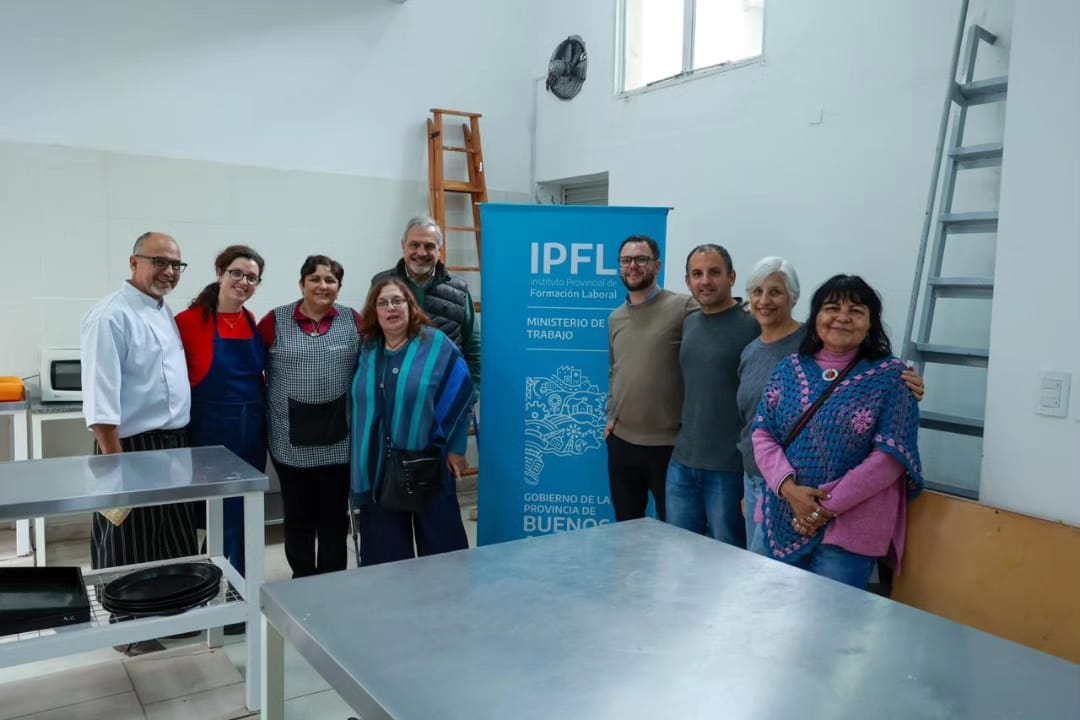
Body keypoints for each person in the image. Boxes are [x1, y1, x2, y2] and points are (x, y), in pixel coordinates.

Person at [737, 258, 925, 553]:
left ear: (871, 323)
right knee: (761, 583)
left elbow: (890, 459)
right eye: (832, 308)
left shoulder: (892, 377)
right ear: (817, 317)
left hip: (851, 526)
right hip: (780, 505)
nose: (842, 317)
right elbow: (762, 433)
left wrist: (819, 507)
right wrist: (790, 490)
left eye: (856, 311)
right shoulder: (790, 367)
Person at [80, 231, 197, 656]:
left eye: (176, 265)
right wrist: (116, 463)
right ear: (134, 263)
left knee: (173, 532)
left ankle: (172, 613)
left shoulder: (164, 311)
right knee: (128, 537)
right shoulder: (110, 315)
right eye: (159, 262)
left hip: (174, 443)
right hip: (129, 445)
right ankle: (128, 628)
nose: (169, 272)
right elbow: (100, 398)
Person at [349, 279, 475, 565]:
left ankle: (443, 595)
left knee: (442, 554)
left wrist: (456, 449)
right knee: (386, 558)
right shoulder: (367, 348)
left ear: (410, 306)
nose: (391, 308)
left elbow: (462, 394)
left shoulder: (435, 344)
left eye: (398, 301)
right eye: (383, 303)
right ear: (374, 311)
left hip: (428, 464)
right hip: (375, 467)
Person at [257, 255, 361, 578]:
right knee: (298, 516)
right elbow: (251, 369)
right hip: (290, 443)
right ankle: (302, 578)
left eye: (330, 280)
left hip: (339, 442)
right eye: (315, 279)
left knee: (334, 517)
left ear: (339, 287)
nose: (322, 285)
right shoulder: (274, 321)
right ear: (301, 284)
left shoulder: (353, 320)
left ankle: (331, 580)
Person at [176, 245, 266, 603]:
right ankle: (204, 586)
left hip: (251, 433)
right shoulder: (188, 322)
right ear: (220, 272)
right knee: (213, 515)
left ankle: (238, 592)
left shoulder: (251, 320)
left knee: (242, 516)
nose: (243, 282)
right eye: (236, 273)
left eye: (252, 278)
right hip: (209, 434)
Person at [665, 245, 760, 546]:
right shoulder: (690, 322)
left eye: (714, 272)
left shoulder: (754, 324)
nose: (705, 281)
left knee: (726, 560)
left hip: (729, 469)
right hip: (682, 463)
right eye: (697, 274)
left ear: (732, 277)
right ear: (688, 282)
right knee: (679, 553)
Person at [606, 235, 698, 522]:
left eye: (641, 259)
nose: (632, 266)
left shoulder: (683, 307)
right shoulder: (615, 318)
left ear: (657, 266)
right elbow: (615, 369)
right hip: (623, 442)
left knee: (674, 532)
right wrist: (611, 415)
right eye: (626, 260)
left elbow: (719, 318)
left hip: (669, 445)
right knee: (626, 528)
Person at [371, 215, 480, 393]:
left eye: (429, 246)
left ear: (439, 250)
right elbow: (370, 339)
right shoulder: (380, 284)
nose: (421, 253)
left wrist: (470, 394)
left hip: (444, 394)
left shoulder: (459, 290)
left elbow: (474, 348)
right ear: (403, 246)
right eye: (414, 245)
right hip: (393, 394)